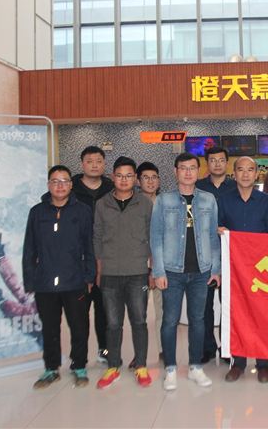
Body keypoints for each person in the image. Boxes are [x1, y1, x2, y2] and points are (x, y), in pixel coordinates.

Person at [151, 153, 221, 391]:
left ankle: (195, 367)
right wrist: (158, 271)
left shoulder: (208, 199)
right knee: (170, 321)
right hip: (172, 271)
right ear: (175, 172)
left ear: (198, 171)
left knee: (198, 320)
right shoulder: (164, 201)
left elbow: (213, 237)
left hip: (201, 271)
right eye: (183, 168)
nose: (188, 172)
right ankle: (170, 368)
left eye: (192, 168)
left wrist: (216, 269)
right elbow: (156, 237)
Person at [23, 165, 95, 389]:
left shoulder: (82, 211)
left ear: (71, 185)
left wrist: (89, 276)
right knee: (49, 328)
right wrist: (30, 280)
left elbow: (90, 246)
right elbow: (29, 249)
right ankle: (51, 368)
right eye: (55, 181)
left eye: (64, 181)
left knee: (79, 326)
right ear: (48, 185)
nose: (60, 186)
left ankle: (79, 366)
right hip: (45, 283)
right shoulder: (37, 212)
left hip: (75, 281)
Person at [94, 157, 153, 389]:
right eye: (119, 175)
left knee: (139, 321)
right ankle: (113, 365)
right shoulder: (102, 204)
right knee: (112, 323)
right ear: (113, 177)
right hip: (110, 273)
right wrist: (99, 270)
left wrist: (151, 269)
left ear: (135, 179)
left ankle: (141, 365)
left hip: (137, 272)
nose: (124, 180)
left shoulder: (145, 203)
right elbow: (97, 237)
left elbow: (152, 236)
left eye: (129, 176)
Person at [218, 157, 268, 383]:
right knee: (236, 316)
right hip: (233, 269)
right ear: (234, 173)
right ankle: (238, 363)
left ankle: (263, 364)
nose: (245, 174)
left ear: (256, 174)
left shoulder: (265, 202)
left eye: (250, 170)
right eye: (241, 170)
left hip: (261, 270)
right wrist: (219, 231)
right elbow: (217, 228)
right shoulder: (224, 200)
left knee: (262, 315)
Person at [71, 146, 114, 364]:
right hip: (78, 261)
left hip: (107, 259)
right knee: (78, 313)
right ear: (82, 164)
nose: (94, 165)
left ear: (104, 164)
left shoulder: (112, 188)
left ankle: (105, 350)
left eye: (99, 161)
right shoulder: (70, 189)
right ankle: (78, 357)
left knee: (105, 311)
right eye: (90, 161)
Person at [195, 146, 236, 363]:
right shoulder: (198, 187)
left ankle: (227, 347)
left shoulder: (236, 187)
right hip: (205, 255)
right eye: (213, 160)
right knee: (205, 305)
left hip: (231, 256)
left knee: (228, 305)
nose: (217, 164)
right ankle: (207, 347)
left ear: (227, 163)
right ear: (207, 163)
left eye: (221, 160)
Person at [136, 161, 163, 363]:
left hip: (162, 267)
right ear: (138, 181)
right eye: (146, 178)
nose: (150, 181)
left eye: (154, 177)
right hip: (138, 268)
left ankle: (164, 351)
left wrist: (156, 267)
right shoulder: (133, 205)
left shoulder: (165, 203)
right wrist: (147, 268)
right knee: (139, 315)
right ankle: (139, 355)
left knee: (163, 313)